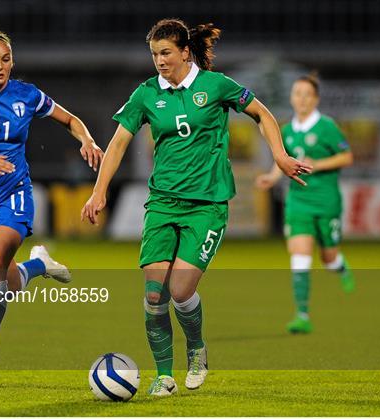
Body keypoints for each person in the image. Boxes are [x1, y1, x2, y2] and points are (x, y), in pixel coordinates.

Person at [81, 19, 312, 396]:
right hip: (162, 203)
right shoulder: (145, 94)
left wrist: (281, 156)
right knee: (155, 295)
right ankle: (163, 375)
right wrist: (98, 191)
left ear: (185, 52)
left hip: (206, 205)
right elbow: (119, 142)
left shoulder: (215, 85)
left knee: (182, 290)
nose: (159, 61)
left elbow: (263, 115)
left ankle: (196, 349)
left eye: (166, 53)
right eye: (154, 54)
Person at [0, 31, 103, 384]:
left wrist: (86, 139)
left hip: (14, 191)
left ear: (13, 62)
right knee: (6, 280)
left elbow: (71, 120)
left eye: (6, 59)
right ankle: (39, 265)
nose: (0, 66)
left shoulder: (27, 95)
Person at [256, 73, 355, 334]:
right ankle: (302, 314)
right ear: (291, 98)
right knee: (299, 256)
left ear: (316, 99)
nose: (301, 99)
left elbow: (347, 157)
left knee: (328, 258)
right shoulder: (286, 131)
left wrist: (319, 164)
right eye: (297, 93)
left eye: (307, 94)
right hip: (298, 201)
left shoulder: (327, 127)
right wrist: (272, 176)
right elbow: (284, 161)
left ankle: (340, 266)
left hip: (326, 202)